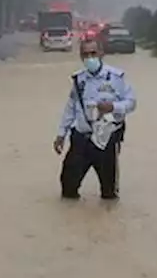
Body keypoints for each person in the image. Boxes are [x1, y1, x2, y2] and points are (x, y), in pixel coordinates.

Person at [53, 38, 137, 200]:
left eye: (93, 53)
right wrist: (61, 134)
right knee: (68, 187)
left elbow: (131, 103)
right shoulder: (79, 80)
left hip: (106, 140)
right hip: (81, 139)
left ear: (101, 53)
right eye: (85, 54)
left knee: (108, 193)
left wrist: (113, 107)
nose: (90, 58)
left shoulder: (116, 78)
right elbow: (71, 108)